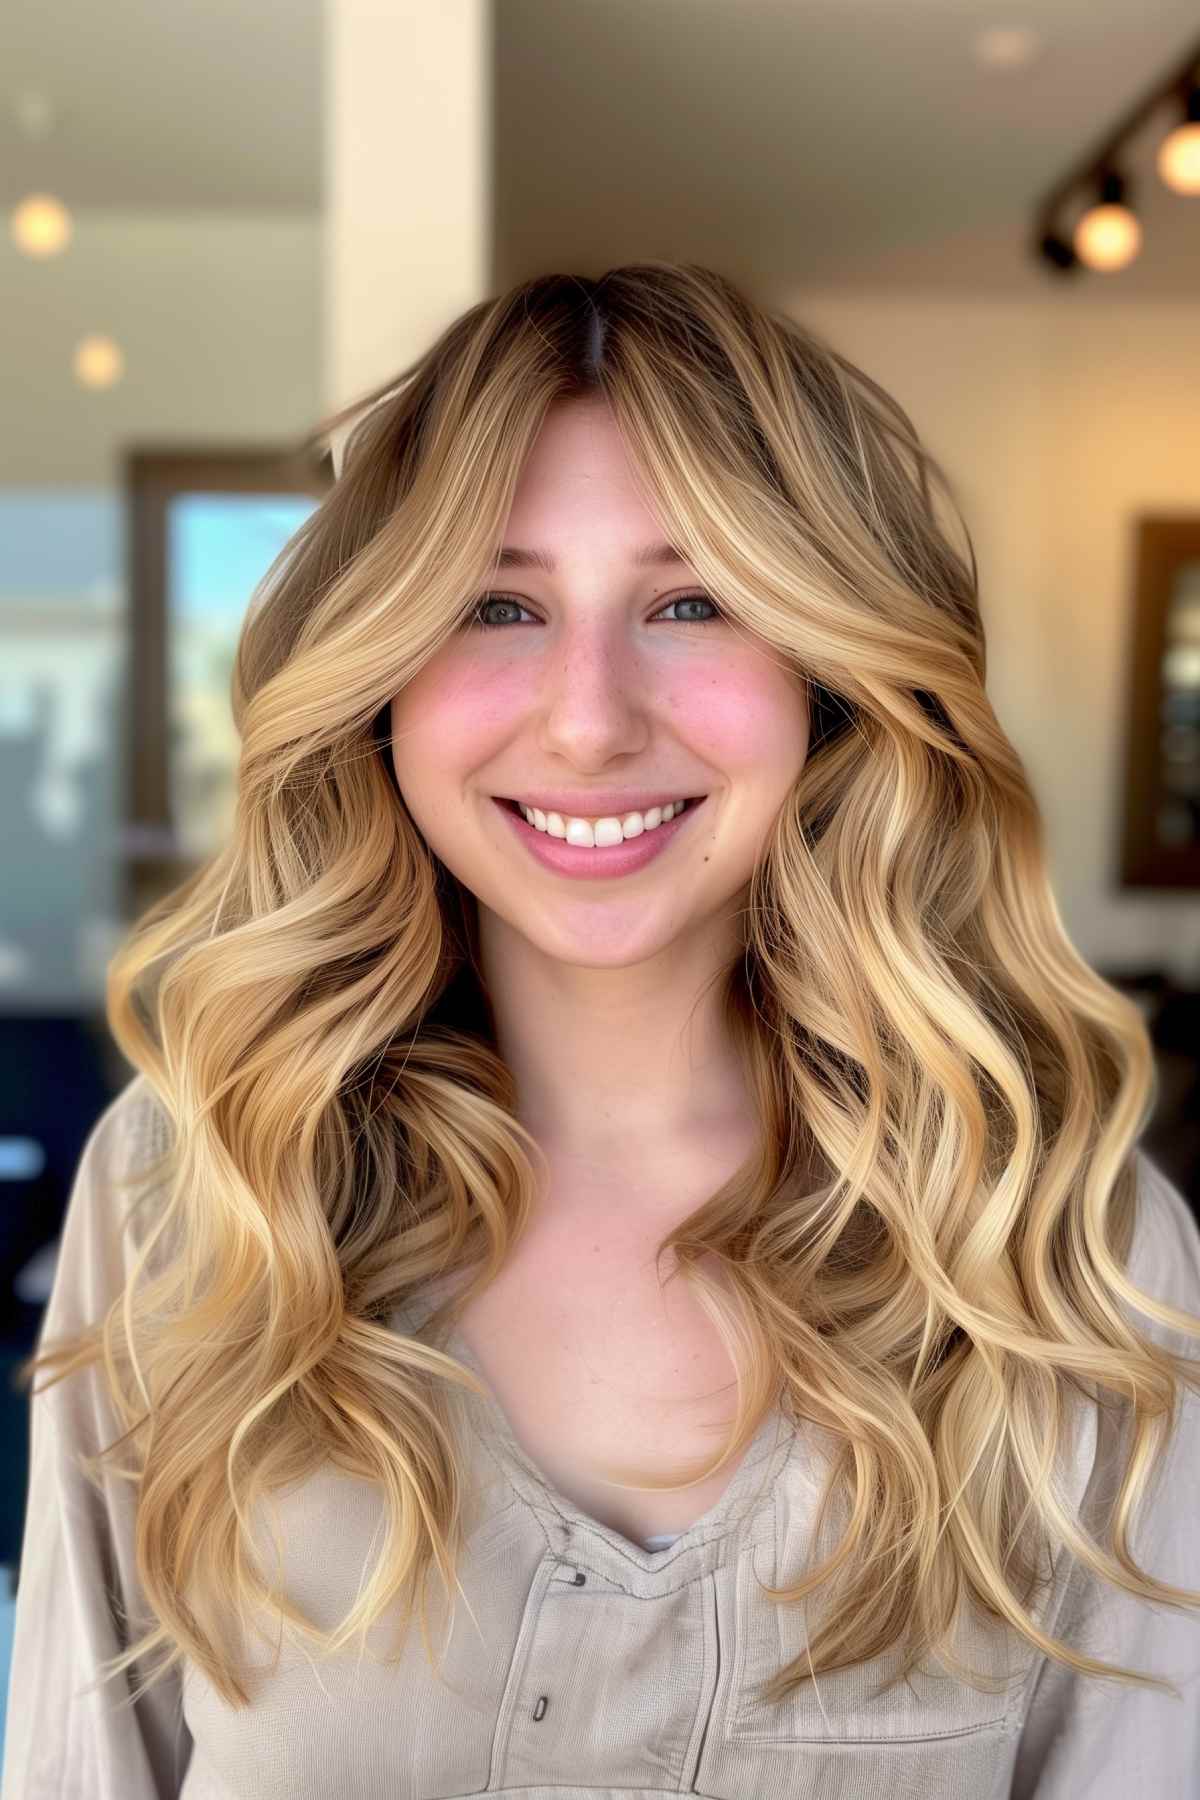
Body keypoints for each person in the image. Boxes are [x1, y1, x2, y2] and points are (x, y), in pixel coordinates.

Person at [4, 263, 1199, 1799]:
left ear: (831, 675)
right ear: (381, 681)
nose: (587, 718)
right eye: (496, 604)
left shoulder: (1065, 1257)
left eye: (691, 601)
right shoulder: (199, 1195)